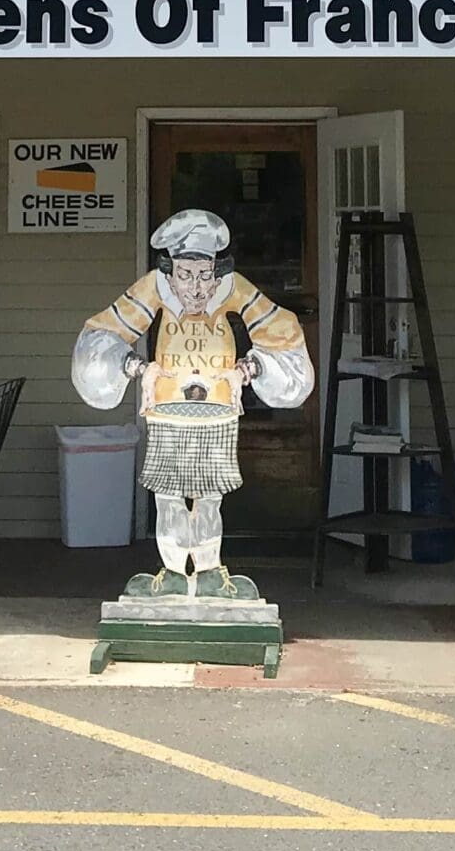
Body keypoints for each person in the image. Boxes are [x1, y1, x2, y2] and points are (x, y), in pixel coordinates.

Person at [71, 208, 313, 600]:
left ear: (217, 270)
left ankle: (209, 570)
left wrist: (247, 369)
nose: (197, 288)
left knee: (209, 497)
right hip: (167, 406)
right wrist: (136, 367)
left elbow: (282, 329)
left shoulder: (233, 288)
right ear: (170, 271)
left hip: (217, 407)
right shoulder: (153, 288)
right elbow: (103, 332)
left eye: (205, 276)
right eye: (186, 275)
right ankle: (170, 571)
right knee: (166, 495)